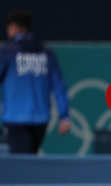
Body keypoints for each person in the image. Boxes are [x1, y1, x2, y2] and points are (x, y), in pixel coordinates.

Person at [0, 9, 71, 154]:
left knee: (23, 164)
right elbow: (59, 87)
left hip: (15, 119)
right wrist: (64, 116)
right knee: (30, 157)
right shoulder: (47, 53)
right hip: (41, 119)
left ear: (13, 28)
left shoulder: (7, 52)